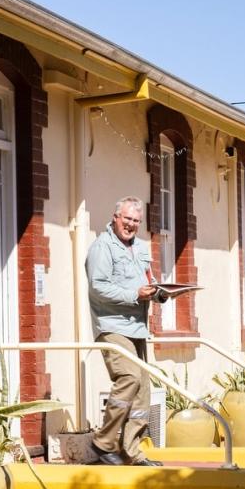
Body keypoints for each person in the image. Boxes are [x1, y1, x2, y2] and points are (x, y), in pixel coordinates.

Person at [86, 196, 168, 466]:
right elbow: (98, 287)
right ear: (115, 217)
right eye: (127, 219)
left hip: (137, 328)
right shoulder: (102, 247)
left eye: (136, 221)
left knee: (143, 392)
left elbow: (148, 281)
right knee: (130, 377)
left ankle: (132, 452)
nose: (131, 225)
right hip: (112, 325)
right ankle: (103, 442)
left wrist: (160, 293)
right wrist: (135, 294)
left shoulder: (142, 248)